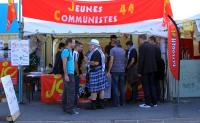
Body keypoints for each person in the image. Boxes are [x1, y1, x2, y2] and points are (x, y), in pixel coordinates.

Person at [86, 39, 109, 110]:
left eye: (90, 44)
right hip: (100, 71)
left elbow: (96, 63)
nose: (89, 46)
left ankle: (93, 105)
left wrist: (88, 62)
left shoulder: (96, 52)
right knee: (101, 89)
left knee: (94, 89)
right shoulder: (100, 51)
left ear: (94, 45)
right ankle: (101, 105)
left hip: (95, 72)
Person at [138, 35, 159, 108]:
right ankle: (154, 102)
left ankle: (148, 103)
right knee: (152, 86)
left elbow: (141, 60)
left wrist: (139, 71)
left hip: (145, 70)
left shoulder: (142, 47)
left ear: (141, 39)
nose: (139, 41)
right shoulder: (153, 46)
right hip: (153, 69)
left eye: (139, 40)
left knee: (146, 86)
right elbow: (157, 58)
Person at [61, 38, 79, 115]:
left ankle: (66, 107)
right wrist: (66, 74)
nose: (74, 44)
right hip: (69, 74)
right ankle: (69, 109)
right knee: (71, 92)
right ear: (69, 43)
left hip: (70, 74)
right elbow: (64, 64)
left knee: (66, 91)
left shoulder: (69, 51)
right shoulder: (66, 51)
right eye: (73, 43)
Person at [107, 40, 126, 107]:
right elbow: (125, 60)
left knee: (115, 87)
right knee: (122, 87)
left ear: (114, 44)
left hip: (115, 70)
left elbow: (111, 60)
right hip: (122, 70)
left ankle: (116, 103)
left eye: (112, 43)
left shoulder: (112, 50)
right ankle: (122, 102)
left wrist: (109, 70)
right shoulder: (123, 50)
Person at [149, 36, 165, 101]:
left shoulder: (154, 47)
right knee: (157, 83)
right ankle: (158, 96)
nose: (149, 42)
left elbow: (155, 58)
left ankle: (156, 97)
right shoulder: (157, 47)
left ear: (152, 40)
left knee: (155, 83)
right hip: (158, 66)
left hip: (156, 67)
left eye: (149, 40)